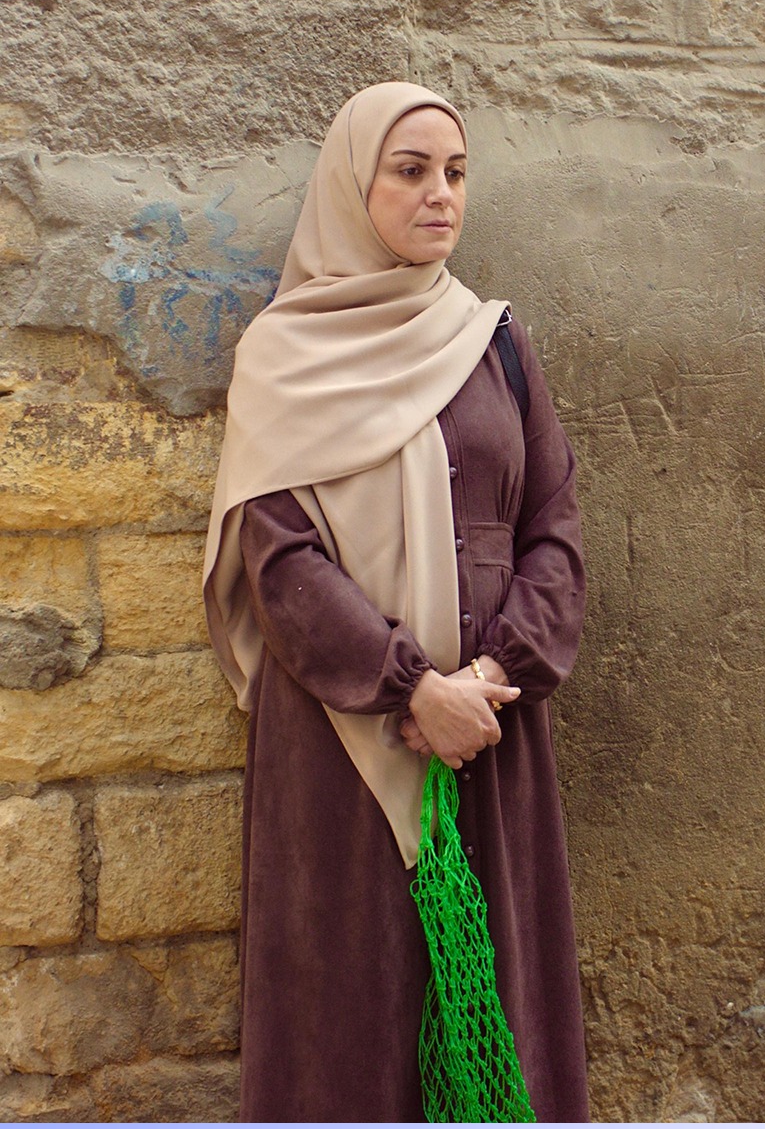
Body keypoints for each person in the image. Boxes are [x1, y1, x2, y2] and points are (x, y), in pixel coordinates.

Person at [202, 81, 590, 1123]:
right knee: (353, 1005)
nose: (440, 195)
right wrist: (413, 691)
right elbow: (281, 563)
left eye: (456, 173)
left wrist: (491, 678)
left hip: (490, 733)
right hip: (343, 739)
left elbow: (554, 529)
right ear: (352, 187)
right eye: (410, 171)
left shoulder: (495, 343)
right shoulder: (285, 357)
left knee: (494, 999)